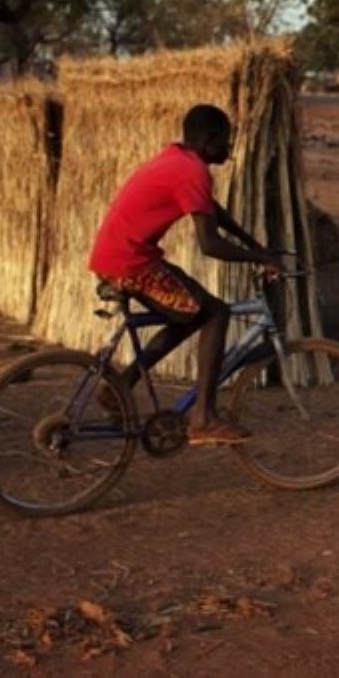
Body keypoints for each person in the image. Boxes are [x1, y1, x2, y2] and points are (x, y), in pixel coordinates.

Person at [88, 104, 281, 446]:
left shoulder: (178, 159)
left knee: (189, 311)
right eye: (225, 140)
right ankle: (203, 417)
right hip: (132, 263)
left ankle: (120, 386)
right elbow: (210, 244)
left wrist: (256, 246)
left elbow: (212, 211)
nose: (229, 147)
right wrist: (258, 257)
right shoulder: (193, 171)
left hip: (123, 256)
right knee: (216, 312)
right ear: (209, 140)